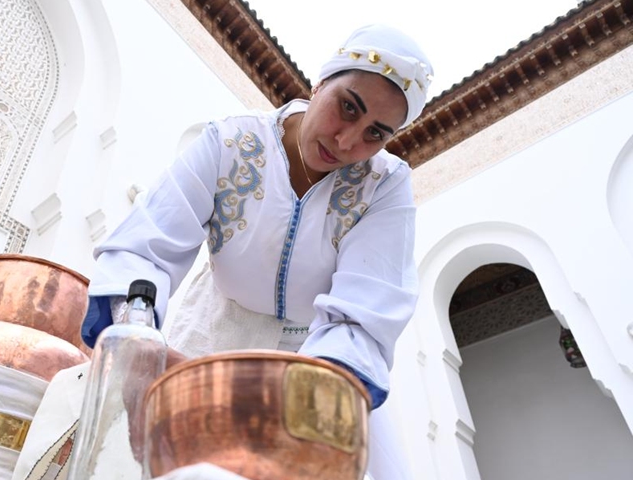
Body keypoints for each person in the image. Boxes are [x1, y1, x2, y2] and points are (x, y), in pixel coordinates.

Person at [81, 23, 433, 479]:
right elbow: (145, 248)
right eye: (347, 107)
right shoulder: (231, 143)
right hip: (207, 337)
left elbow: (364, 313)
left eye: (375, 133)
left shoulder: (384, 185)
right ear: (320, 82)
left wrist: (300, 401)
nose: (348, 142)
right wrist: (139, 348)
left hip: (320, 360)